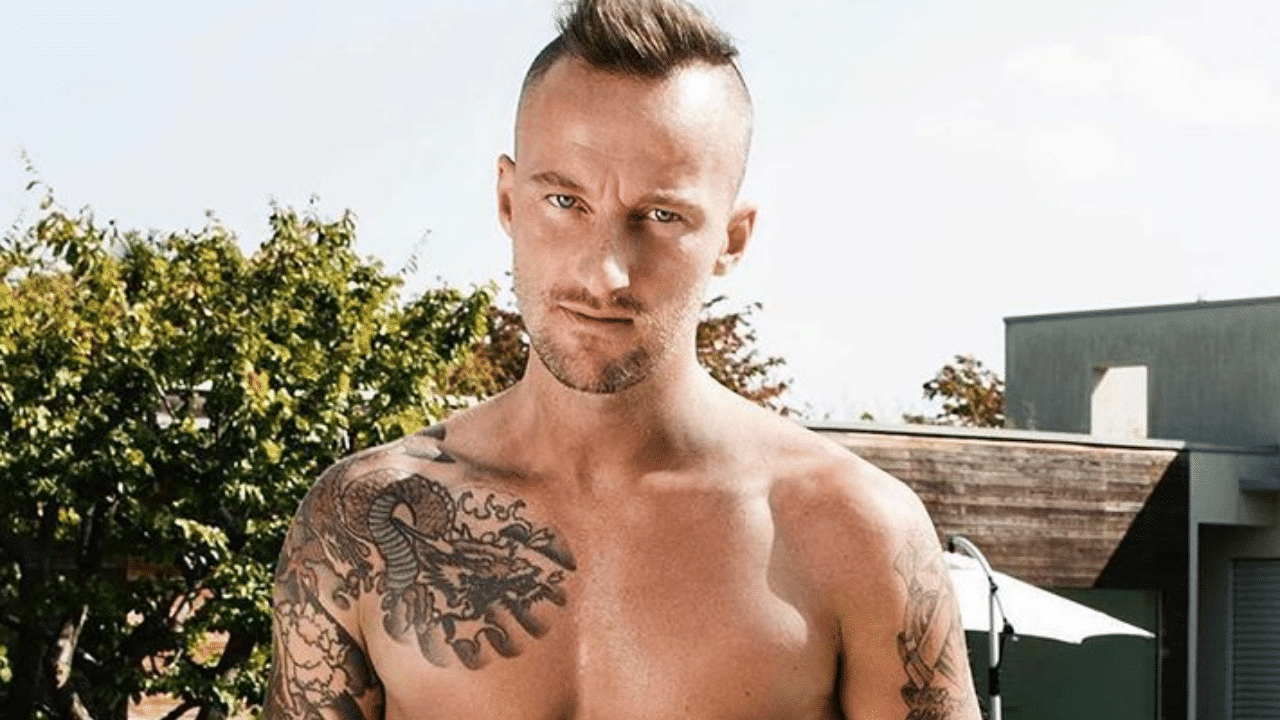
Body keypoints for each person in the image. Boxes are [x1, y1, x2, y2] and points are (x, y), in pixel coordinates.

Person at [263, 0, 981, 718]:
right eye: (564, 201)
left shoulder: (855, 534)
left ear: (732, 239)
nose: (604, 273)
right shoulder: (358, 524)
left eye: (662, 216)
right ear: (508, 200)